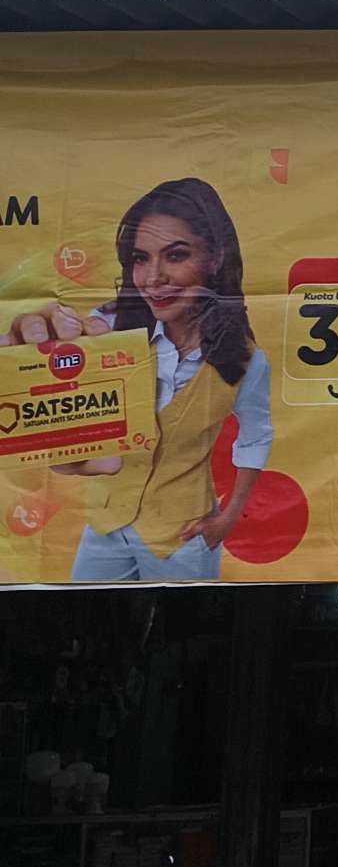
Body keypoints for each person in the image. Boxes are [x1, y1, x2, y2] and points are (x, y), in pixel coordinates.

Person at [7, 177, 270, 584]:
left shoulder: (246, 360)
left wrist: (229, 517)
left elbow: (254, 438)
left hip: (183, 534)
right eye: (140, 258)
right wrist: (25, 365)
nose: (152, 278)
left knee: (181, 624)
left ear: (216, 257)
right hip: (106, 526)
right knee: (84, 618)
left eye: (176, 255)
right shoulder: (106, 328)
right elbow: (58, 414)